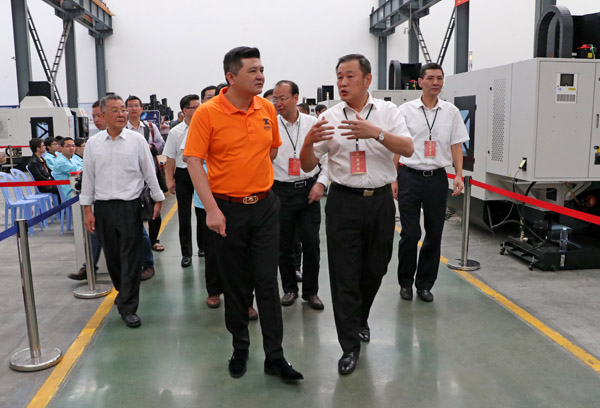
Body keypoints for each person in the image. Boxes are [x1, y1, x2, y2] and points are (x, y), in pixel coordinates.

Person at [184, 46, 303, 381]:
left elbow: (272, 149)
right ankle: (240, 348)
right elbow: (193, 161)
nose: (261, 76)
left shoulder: (266, 107)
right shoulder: (208, 113)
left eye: (261, 69)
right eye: (253, 70)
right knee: (235, 285)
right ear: (231, 77)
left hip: (264, 207)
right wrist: (211, 209)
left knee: (267, 282)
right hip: (227, 211)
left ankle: (275, 356)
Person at [300, 53, 413, 375]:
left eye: (350, 76)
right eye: (339, 77)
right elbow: (308, 165)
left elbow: (407, 148)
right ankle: (349, 346)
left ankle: (360, 317)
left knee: (376, 268)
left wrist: (375, 132)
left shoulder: (388, 112)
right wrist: (308, 143)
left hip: (380, 202)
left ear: (367, 80)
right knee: (344, 274)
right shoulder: (329, 118)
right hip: (343, 202)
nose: (343, 82)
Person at [81, 94, 164, 328]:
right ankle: (123, 290)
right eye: (115, 110)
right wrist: (87, 210)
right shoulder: (94, 144)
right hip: (103, 208)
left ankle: (128, 307)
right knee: (113, 258)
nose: (121, 114)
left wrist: (158, 198)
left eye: (123, 110)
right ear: (102, 115)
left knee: (131, 258)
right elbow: (88, 179)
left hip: (130, 207)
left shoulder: (136, 140)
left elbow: (149, 172)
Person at [395, 62, 469, 303]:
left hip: (437, 178)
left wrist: (458, 175)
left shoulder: (451, 112)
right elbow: (397, 146)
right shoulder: (405, 111)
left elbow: (456, 145)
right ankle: (405, 282)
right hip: (409, 176)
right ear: (420, 82)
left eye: (439, 78)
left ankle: (425, 284)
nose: (436, 82)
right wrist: (393, 177)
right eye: (430, 78)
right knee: (410, 233)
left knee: (434, 233)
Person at [272, 80, 327, 310]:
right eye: (275, 99)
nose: (278, 103)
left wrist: (321, 183)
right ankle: (290, 289)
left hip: (308, 190)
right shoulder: (270, 125)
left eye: (283, 98)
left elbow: (327, 157)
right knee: (283, 245)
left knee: (311, 244)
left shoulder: (313, 124)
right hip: (280, 192)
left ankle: (311, 292)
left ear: (296, 98)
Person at [164, 94, 201, 268]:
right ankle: (186, 253)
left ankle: (203, 247)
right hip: (183, 174)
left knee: (203, 213)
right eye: (195, 107)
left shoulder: (204, 127)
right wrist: (169, 179)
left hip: (201, 173)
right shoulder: (175, 132)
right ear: (185, 111)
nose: (199, 109)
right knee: (184, 214)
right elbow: (170, 158)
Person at [126, 95, 166, 252]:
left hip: (150, 172)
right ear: (126, 109)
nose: (133, 108)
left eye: (136, 105)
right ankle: (137, 242)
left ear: (142, 109)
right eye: (130, 106)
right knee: (134, 210)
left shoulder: (150, 127)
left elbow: (161, 144)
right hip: (131, 175)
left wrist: (150, 147)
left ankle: (154, 240)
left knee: (154, 208)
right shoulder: (123, 129)